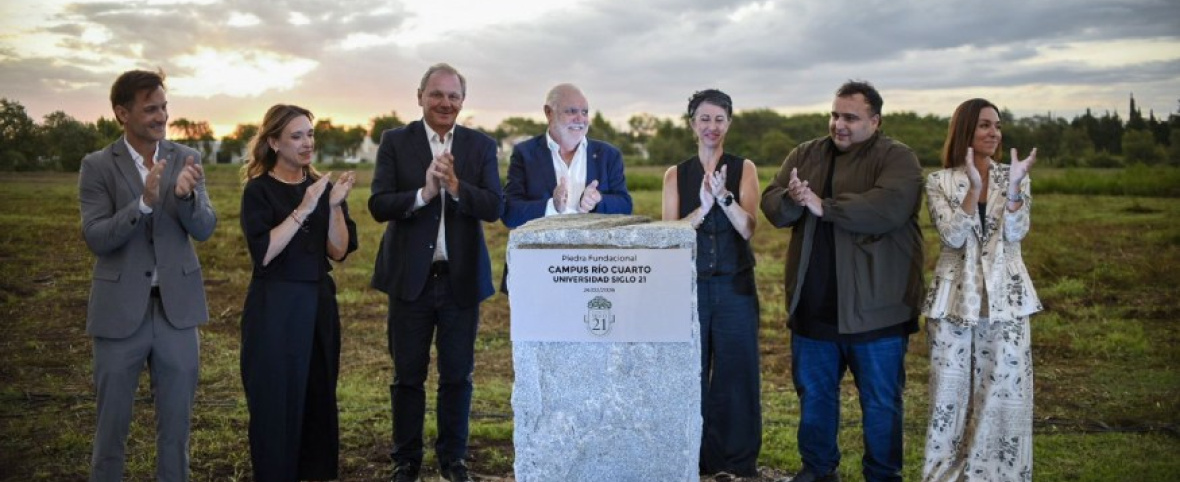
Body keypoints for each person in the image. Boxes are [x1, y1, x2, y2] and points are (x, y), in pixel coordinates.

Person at [761, 80, 925, 482]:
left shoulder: (897, 158)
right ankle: (818, 470)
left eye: (850, 117)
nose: (839, 124)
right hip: (813, 305)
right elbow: (772, 201)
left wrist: (824, 206)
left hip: (877, 309)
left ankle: (883, 476)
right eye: (835, 114)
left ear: (875, 120)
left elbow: (889, 207)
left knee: (881, 401)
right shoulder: (805, 153)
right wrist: (792, 200)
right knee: (815, 397)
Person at [78, 69, 216, 481]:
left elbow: (205, 228)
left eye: (164, 107)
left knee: (176, 430)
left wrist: (186, 196)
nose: (161, 116)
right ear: (122, 113)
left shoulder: (186, 158)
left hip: (177, 313)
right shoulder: (97, 166)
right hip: (119, 316)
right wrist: (142, 204)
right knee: (111, 428)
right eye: (150, 108)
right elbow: (96, 237)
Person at [368, 63, 503, 482]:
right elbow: (378, 205)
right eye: (437, 94)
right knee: (407, 375)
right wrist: (424, 193)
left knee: (457, 375)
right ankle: (405, 460)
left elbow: (495, 207)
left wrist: (458, 187)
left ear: (463, 100)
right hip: (410, 280)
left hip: (460, 279)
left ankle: (453, 459)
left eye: (453, 96)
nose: (445, 102)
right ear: (420, 96)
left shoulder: (481, 146)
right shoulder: (395, 141)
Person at [921, 98, 1041, 482]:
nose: (995, 133)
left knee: (1003, 391)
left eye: (998, 126)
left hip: (1007, 299)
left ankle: (995, 474)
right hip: (953, 299)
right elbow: (953, 236)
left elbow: (1016, 233)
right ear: (966, 131)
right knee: (948, 396)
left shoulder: (1014, 177)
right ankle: (944, 475)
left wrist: (1017, 188)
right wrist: (974, 187)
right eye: (986, 125)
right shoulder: (939, 181)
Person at [238, 104, 358, 481]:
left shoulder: (323, 187)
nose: (308, 143)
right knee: (275, 399)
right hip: (275, 306)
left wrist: (334, 207)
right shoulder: (258, 191)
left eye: (310, 134)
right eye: (296, 136)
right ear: (273, 142)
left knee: (319, 395)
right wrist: (304, 208)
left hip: (317, 301)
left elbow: (338, 251)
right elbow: (265, 253)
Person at [661, 89, 762, 480]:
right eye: (704, 119)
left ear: (729, 124)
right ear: (692, 124)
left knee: (738, 372)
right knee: (691, 372)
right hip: (691, 288)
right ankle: (694, 457)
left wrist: (724, 198)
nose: (711, 127)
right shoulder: (675, 174)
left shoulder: (744, 168)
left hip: (736, 287)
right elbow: (670, 235)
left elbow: (749, 229)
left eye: (719, 119)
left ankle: (737, 462)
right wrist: (702, 208)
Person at [502, 83, 632, 229]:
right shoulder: (525, 154)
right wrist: (552, 206)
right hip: (543, 250)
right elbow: (510, 213)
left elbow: (625, 206)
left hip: (595, 250)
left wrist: (598, 201)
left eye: (584, 112)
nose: (580, 119)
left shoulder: (608, 155)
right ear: (549, 112)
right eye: (571, 111)